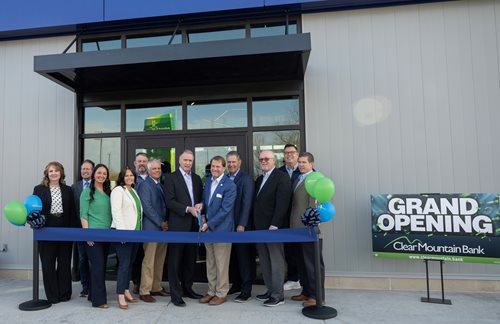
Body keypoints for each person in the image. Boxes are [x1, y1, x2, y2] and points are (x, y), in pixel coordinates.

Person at [164, 149, 203, 307]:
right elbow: (169, 201)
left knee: (190, 260)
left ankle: (188, 288)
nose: (188, 163)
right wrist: (187, 209)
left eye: (190, 161)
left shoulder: (197, 178)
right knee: (175, 262)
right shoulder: (171, 178)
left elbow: (200, 199)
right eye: (185, 160)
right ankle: (176, 294)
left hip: (193, 226)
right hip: (178, 226)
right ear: (179, 161)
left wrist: (201, 205)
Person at [253, 150, 292, 307]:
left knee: (276, 261)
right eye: (261, 159)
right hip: (259, 228)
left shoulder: (281, 177)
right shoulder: (260, 179)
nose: (263, 161)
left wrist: (275, 223)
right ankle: (270, 290)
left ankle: (278, 295)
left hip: (273, 227)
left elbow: (283, 202)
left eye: (267, 159)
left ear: (274, 161)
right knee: (264, 260)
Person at [33, 161, 76, 304]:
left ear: (61, 173)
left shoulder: (68, 190)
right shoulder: (39, 189)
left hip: (65, 228)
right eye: (51, 171)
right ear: (47, 173)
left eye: (56, 171)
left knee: (64, 263)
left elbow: (72, 212)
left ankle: (64, 294)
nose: (54, 173)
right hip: (46, 228)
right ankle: (52, 295)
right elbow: (34, 210)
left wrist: (74, 232)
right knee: (48, 263)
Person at [289, 152, 325, 307]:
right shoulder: (298, 178)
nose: (301, 165)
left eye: (304, 162)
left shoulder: (315, 180)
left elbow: (313, 206)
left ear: (312, 164)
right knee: (301, 262)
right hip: (296, 229)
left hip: (307, 229)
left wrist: (311, 226)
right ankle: (306, 292)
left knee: (312, 264)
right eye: (300, 162)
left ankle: (317, 296)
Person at [199, 156, 237, 306]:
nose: (214, 169)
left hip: (222, 230)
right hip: (208, 230)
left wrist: (208, 224)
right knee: (211, 262)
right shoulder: (208, 181)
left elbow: (225, 210)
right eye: (213, 167)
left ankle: (221, 293)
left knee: (221, 263)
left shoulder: (229, 185)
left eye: (218, 167)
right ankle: (211, 291)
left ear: (224, 168)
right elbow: (205, 201)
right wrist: (201, 211)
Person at [136, 159, 169, 303]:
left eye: (158, 168)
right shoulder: (144, 185)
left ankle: (156, 287)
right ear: (148, 171)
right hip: (151, 228)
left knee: (159, 260)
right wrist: (160, 222)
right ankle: (144, 290)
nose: (157, 171)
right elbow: (147, 207)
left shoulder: (160, 185)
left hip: (162, 229)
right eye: (154, 169)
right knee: (149, 261)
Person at [80, 163, 112, 309]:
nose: (102, 175)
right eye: (99, 173)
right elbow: (83, 214)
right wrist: (88, 234)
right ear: (94, 174)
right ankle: (99, 301)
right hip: (93, 234)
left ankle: (93, 294)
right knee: (98, 266)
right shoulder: (87, 191)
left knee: (101, 266)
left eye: (104, 173)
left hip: (107, 234)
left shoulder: (107, 192)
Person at [110, 166, 143, 309]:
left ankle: (126, 291)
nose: (130, 178)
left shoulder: (133, 191)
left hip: (135, 233)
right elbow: (116, 212)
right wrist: (122, 232)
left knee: (130, 263)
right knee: (124, 265)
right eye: (127, 175)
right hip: (124, 233)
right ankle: (120, 295)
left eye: (131, 175)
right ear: (122, 178)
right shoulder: (118, 190)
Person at [225, 151, 255, 303]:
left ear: (239, 162)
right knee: (234, 258)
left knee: (244, 259)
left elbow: (247, 203)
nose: (231, 165)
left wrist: (242, 223)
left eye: (233, 162)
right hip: (228, 226)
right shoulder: (224, 178)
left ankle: (246, 290)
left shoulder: (246, 179)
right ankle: (236, 284)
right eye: (228, 162)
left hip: (240, 226)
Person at [278, 143, 302, 291]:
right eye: (286, 153)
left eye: (292, 152)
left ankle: (302, 279)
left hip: (299, 217)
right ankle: (293, 278)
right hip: (284, 217)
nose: (289, 155)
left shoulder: (305, 170)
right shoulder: (279, 172)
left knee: (302, 250)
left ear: (297, 155)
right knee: (289, 249)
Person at [71, 159, 94, 298]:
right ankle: (85, 286)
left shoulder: (98, 186)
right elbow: (73, 208)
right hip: (80, 229)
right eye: (83, 169)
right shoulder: (75, 187)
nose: (85, 171)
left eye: (88, 169)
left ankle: (95, 285)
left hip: (96, 228)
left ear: (92, 171)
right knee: (82, 259)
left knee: (94, 258)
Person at [131, 152, 149, 294]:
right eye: (139, 161)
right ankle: (137, 282)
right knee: (136, 255)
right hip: (135, 224)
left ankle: (149, 283)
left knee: (148, 255)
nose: (141, 163)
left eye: (144, 161)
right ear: (135, 163)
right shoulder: (130, 180)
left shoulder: (154, 179)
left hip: (150, 225)